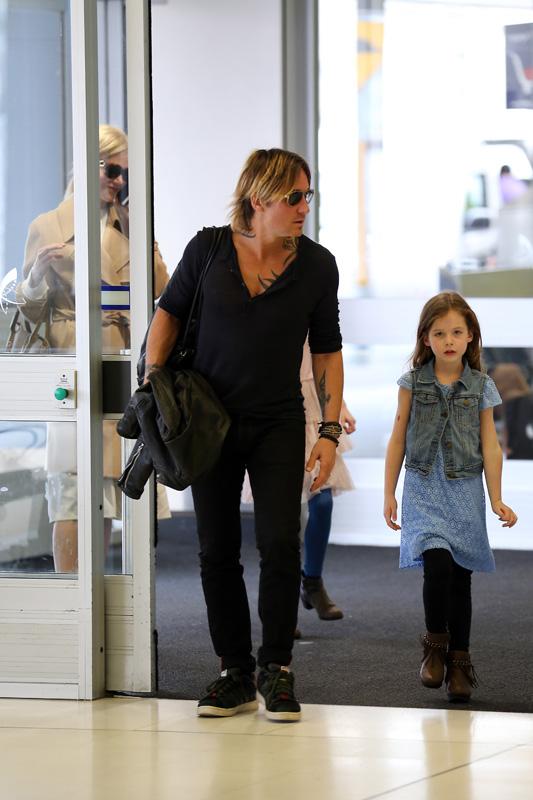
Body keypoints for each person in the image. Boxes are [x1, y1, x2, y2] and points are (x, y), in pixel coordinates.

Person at [143, 148, 344, 722]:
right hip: (207, 422)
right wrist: (152, 388)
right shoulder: (207, 249)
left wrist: (327, 431)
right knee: (216, 548)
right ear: (259, 199)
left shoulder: (317, 265)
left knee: (281, 541)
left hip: (278, 420)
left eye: (309, 196)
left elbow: (327, 353)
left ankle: (275, 668)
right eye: (295, 197)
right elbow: (168, 316)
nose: (305, 207)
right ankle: (233, 669)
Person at [18, 124, 170, 572]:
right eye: (115, 170)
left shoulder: (131, 224)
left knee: (110, 485)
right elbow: (27, 309)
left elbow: (161, 286)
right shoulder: (48, 225)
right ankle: (72, 597)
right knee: (70, 487)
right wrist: (35, 278)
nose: (121, 181)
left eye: (127, 173)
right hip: (73, 361)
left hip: (121, 356)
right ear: (92, 166)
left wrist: (136, 229)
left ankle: (101, 595)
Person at [383, 291, 517, 703]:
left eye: (457, 332)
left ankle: (460, 663)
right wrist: (388, 492)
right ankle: (435, 646)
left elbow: (490, 444)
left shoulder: (481, 385)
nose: (449, 340)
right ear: (426, 339)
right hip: (424, 487)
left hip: (464, 489)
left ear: (471, 335)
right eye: (439, 333)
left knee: (461, 577)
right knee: (436, 564)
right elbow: (398, 436)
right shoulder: (412, 382)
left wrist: (497, 498)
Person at [299, 340, 355, 622]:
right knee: (281, 516)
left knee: (322, 502)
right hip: (272, 405)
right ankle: (281, 599)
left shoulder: (309, 298)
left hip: (316, 403)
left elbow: (326, 355)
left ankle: (313, 582)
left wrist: (340, 405)